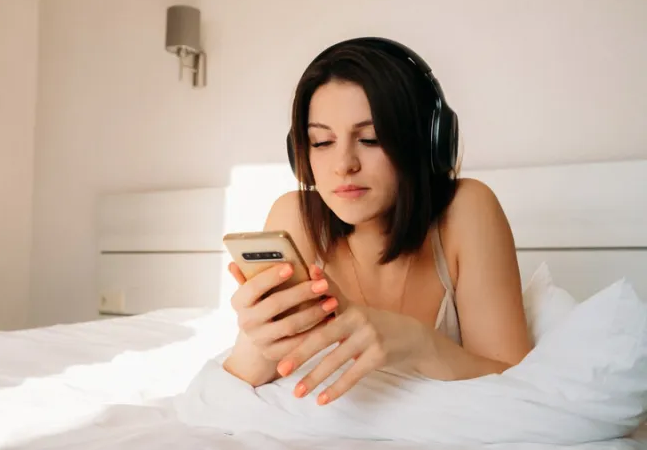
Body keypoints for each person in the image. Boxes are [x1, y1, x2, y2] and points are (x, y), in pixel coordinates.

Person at [222, 37, 533, 407]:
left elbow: (523, 389)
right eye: (321, 142)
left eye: (370, 138)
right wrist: (257, 343)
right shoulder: (296, 218)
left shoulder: (466, 210)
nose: (343, 165)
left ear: (426, 142)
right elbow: (235, 389)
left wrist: (418, 343)